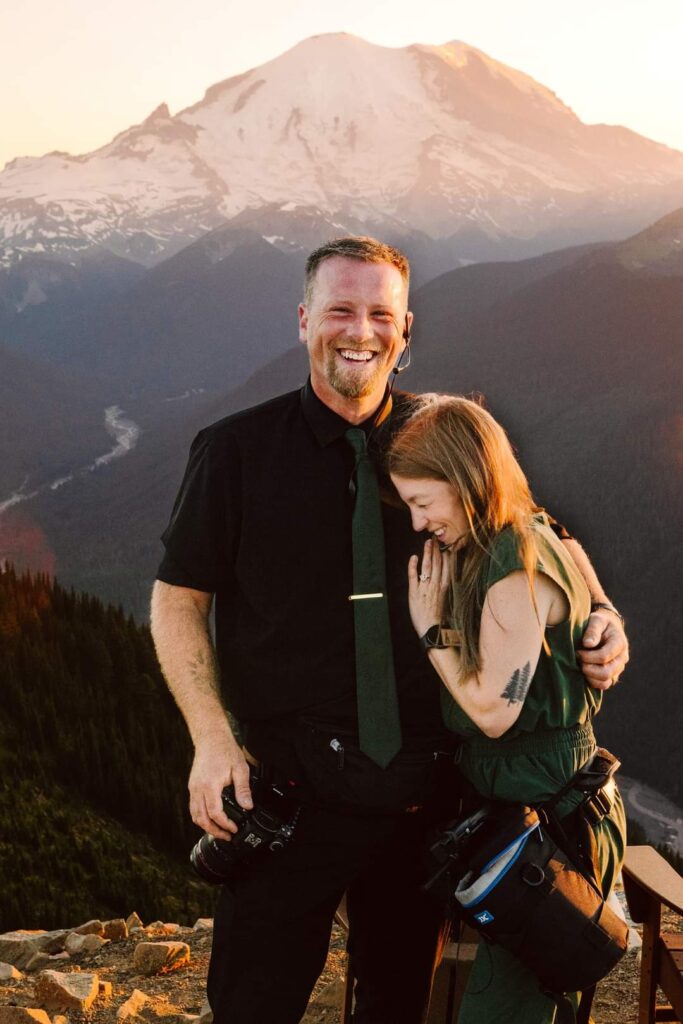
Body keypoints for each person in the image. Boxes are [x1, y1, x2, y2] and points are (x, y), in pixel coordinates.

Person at [149, 236, 629, 1024]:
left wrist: (605, 617)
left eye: (380, 314)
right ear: (304, 319)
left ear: (406, 332)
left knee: (398, 1002)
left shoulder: (441, 439)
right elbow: (178, 599)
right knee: (252, 1000)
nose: (358, 331)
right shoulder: (235, 452)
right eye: (339, 310)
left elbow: (543, 534)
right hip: (291, 788)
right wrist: (209, 736)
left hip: (430, 796)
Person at [387, 394, 627, 1023]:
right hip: (538, 811)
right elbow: (564, 541)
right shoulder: (519, 532)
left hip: (550, 824)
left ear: (464, 479)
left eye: (421, 502)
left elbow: (495, 712)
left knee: (508, 1011)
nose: (417, 523)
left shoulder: (511, 563)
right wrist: (604, 607)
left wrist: (431, 628)